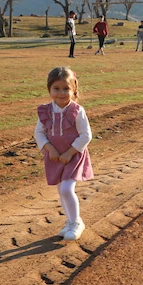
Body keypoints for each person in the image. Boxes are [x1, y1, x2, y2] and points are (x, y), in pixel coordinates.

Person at [34, 67, 94, 241]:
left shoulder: (77, 110)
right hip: (54, 157)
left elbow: (86, 135)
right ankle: (69, 221)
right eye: (56, 88)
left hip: (73, 156)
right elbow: (39, 132)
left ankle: (76, 223)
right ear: (49, 90)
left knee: (68, 189)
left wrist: (70, 152)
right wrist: (49, 148)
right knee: (61, 191)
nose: (61, 93)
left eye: (66, 89)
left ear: (73, 89)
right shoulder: (45, 111)